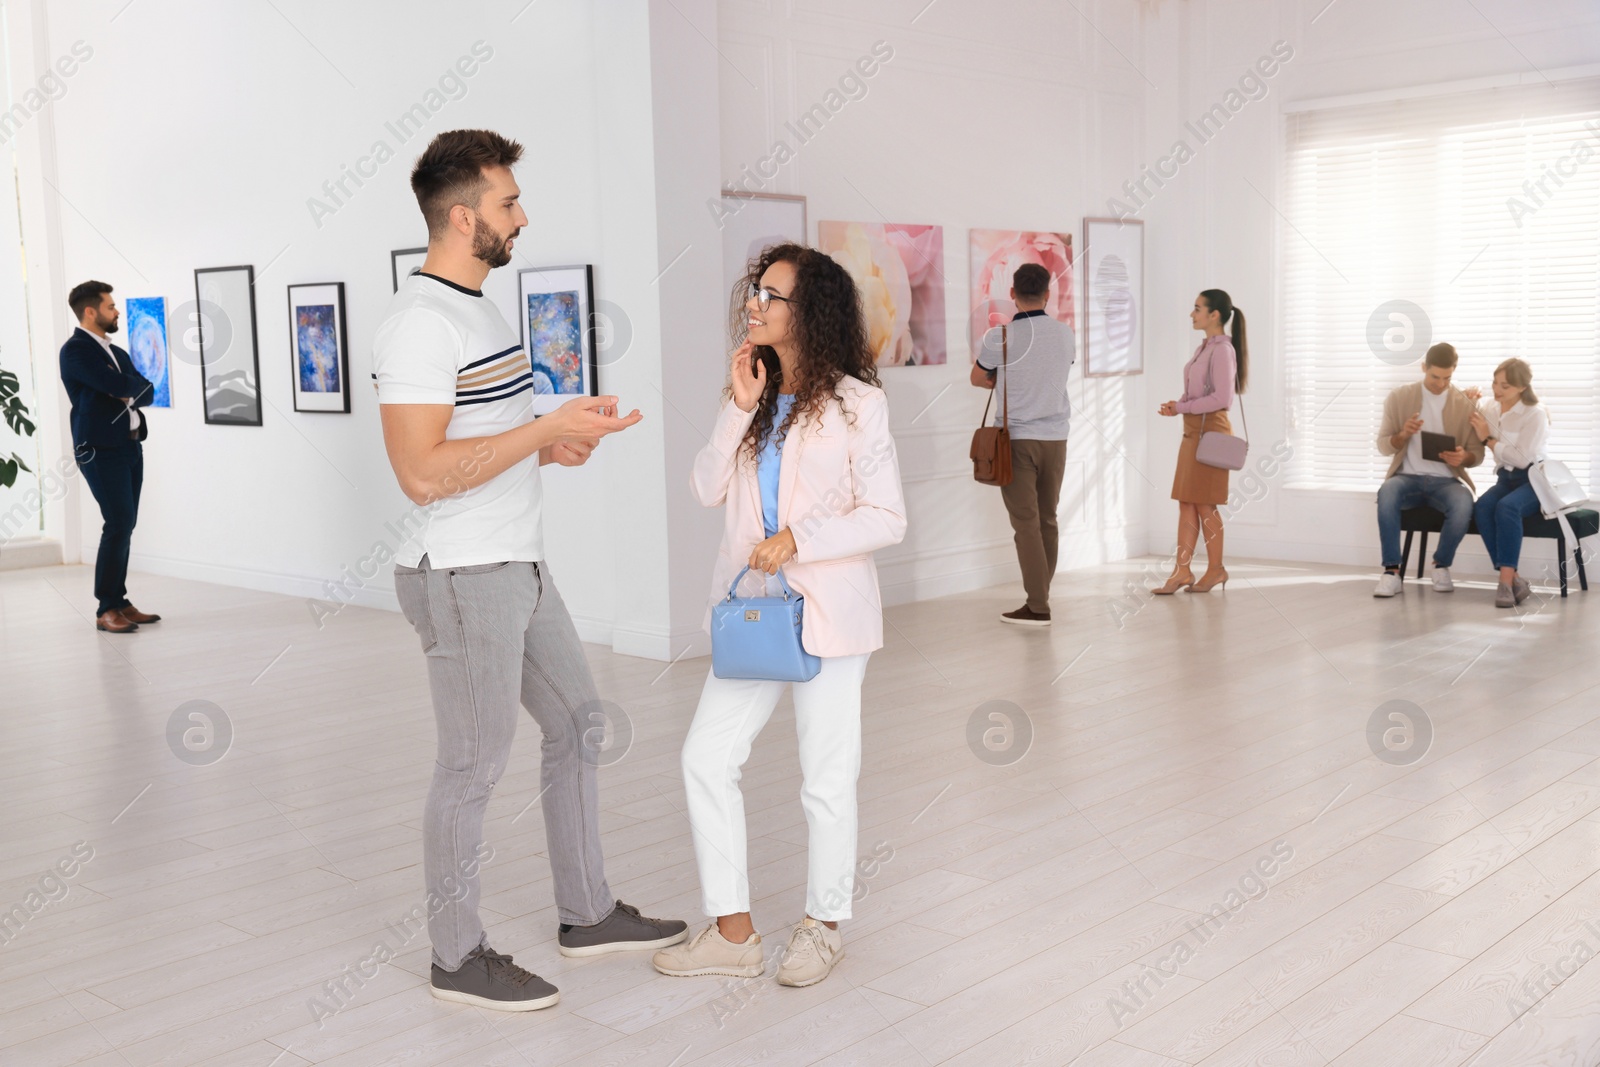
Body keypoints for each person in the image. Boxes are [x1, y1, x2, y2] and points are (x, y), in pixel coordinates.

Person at [374, 129, 686, 1013]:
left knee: (581, 725)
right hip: (465, 576)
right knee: (471, 767)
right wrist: (541, 433)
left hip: (517, 563)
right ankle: (456, 955)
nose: (522, 215)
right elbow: (424, 473)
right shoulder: (419, 326)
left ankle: (586, 914)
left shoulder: (478, 309)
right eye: (508, 202)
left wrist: (556, 439)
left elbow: (479, 448)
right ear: (464, 216)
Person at [652, 243, 906, 989]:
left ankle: (823, 926)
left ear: (812, 310)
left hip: (828, 608)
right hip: (756, 617)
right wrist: (736, 404)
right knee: (705, 756)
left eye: (772, 294)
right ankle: (733, 932)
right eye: (754, 291)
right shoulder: (754, 393)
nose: (755, 304)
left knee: (826, 776)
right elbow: (704, 486)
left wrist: (802, 537)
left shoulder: (860, 403)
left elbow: (888, 516)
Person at [969, 262, 1073, 626]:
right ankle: (1041, 594)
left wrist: (1003, 378)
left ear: (1012, 294)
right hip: (1056, 439)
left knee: (1025, 523)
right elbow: (1056, 368)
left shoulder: (999, 337)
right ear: (1047, 294)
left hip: (1015, 440)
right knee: (1047, 519)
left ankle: (1038, 605)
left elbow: (977, 378)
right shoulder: (1065, 334)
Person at [59, 281, 160, 633]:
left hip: (130, 445)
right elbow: (121, 386)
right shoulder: (75, 351)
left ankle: (120, 600)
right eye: (111, 306)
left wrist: (124, 390)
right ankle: (106, 609)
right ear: (91, 311)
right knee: (117, 523)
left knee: (125, 524)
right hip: (99, 448)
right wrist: (123, 388)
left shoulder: (116, 353)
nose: (116, 311)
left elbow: (148, 391)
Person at [1153, 289, 1248, 594]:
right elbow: (1197, 393)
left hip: (1211, 431)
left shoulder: (1222, 350)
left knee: (1205, 505)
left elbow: (1222, 398)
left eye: (1197, 309)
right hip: (1193, 430)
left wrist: (1182, 407)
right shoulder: (1205, 347)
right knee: (1186, 502)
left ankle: (1216, 569)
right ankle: (1182, 571)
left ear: (1214, 315)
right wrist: (1177, 405)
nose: (1192, 315)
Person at [1372, 342, 1483, 598]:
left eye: (1447, 378)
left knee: (1464, 503)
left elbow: (1477, 454)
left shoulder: (1465, 402)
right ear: (1423, 368)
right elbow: (1383, 445)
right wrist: (1403, 435)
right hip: (1407, 478)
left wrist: (1462, 456)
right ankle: (1391, 572)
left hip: (1446, 482)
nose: (1441, 383)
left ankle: (1441, 564)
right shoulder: (1399, 397)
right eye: (1435, 376)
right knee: (1387, 492)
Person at [1470, 358, 1550, 608]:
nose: (1497, 390)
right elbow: (1470, 409)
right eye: (1495, 383)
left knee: (1507, 507)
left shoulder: (1535, 414)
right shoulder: (1491, 408)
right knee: (1482, 506)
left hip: (1534, 478)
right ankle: (1514, 578)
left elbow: (1522, 457)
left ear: (1521, 387)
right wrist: (1469, 397)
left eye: (1505, 386)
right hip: (1506, 477)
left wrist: (1488, 440)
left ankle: (1504, 583)